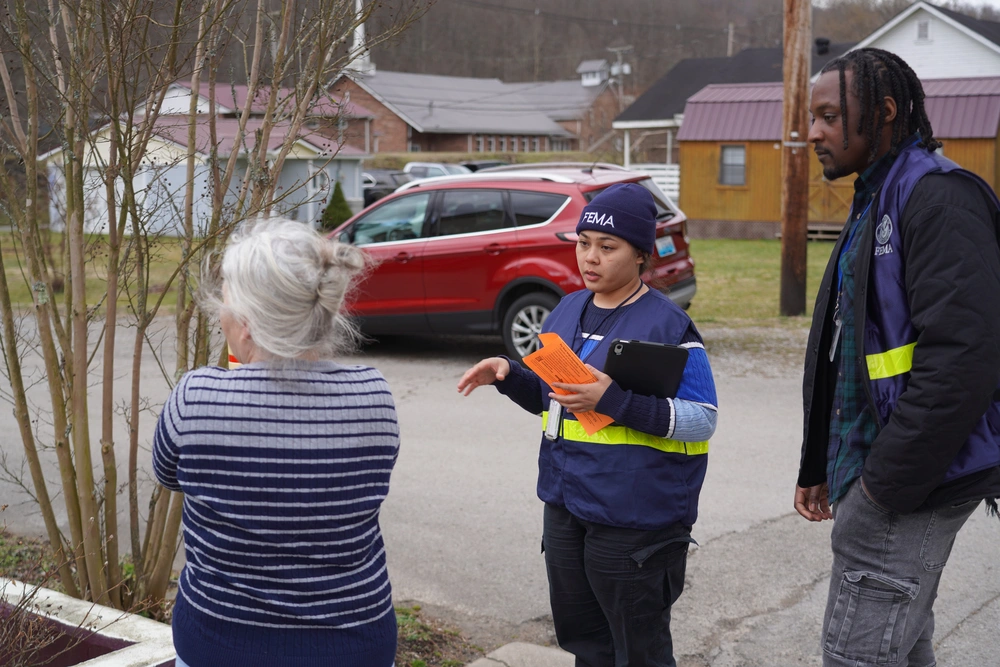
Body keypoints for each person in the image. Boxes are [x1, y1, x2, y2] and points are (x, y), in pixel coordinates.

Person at [458, 183, 719, 667]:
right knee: (584, 642)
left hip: (635, 519)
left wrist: (615, 400)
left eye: (607, 247)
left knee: (638, 650)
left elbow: (702, 421)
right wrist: (508, 373)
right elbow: (552, 398)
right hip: (566, 505)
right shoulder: (566, 309)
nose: (590, 258)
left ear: (641, 255)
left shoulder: (668, 325)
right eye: (583, 243)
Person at [797, 48, 1000, 667]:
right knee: (901, 647)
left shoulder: (937, 198)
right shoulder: (875, 194)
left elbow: (965, 357)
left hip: (912, 482)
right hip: (878, 475)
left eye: (830, 116)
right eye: (813, 117)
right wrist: (817, 464)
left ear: (884, 112)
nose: (814, 133)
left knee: (857, 655)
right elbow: (845, 350)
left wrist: (883, 489)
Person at [153, 219, 399, 667]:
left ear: (245, 324)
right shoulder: (374, 395)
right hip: (355, 644)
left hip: (219, 642)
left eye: (224, 303)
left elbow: (168, 474)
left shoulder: (196, 398)